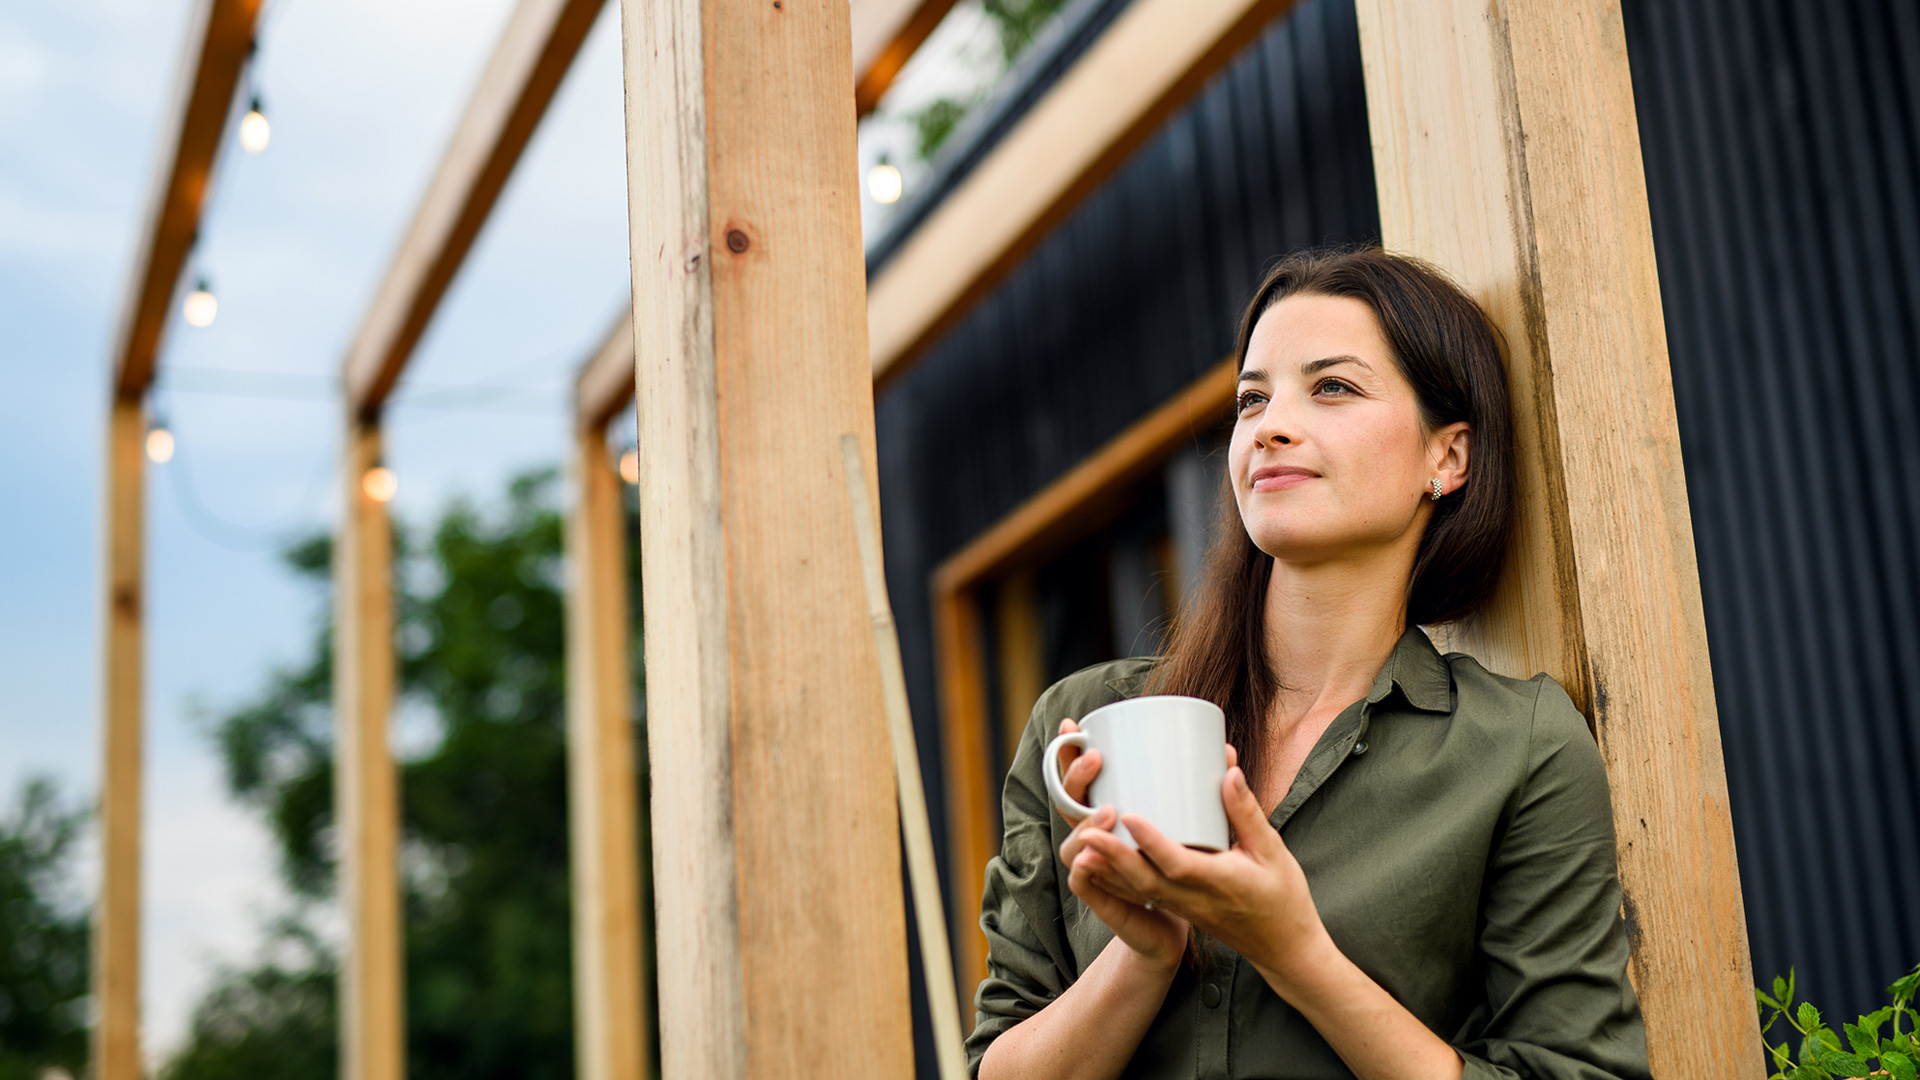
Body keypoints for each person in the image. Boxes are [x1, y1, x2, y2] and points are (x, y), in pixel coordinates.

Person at [967, 247, 1651, 1080]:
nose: (1270, 424)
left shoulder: (1520, 749)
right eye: (1252, 398)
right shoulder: (1085, 724)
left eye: (1332, 387)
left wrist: (1295, 952)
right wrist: (1143, 955)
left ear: (1449, 459)